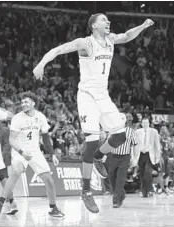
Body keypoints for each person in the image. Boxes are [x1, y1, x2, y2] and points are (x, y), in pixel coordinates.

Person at [33, 13, 154, 213]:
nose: (108, 22)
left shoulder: (111, 39)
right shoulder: (85, 43)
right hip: (87, 95)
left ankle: (98, 157)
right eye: (103, 20)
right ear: (93, 25)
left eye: (108, 20)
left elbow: (126, 35)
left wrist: (142, 26)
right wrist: (41, 64)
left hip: (103, 95)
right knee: (90, 141)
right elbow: (58, 49)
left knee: (120, 135)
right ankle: (86, 191)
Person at [0, 92, 64, 218]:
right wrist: (22, 153)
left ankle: (53, 208)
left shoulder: (40, 117)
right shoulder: (17, 118)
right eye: (22, 102)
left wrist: (52, 154)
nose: (23, 104)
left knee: (49, 180)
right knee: (16, 172)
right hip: (20, 152)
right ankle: (0, 204)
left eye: (26, 102)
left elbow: (46, 138)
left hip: (35, 152)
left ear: (33, 103)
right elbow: (12, 140)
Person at [108, 113, 136, 208]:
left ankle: (116, 201)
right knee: (111, 176)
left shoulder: (131, 131)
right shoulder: (112, 131)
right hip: (113, 156)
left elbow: (135, 145)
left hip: (125, 157)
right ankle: (122, 194)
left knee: (120, 179)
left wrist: (134, 158)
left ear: (124, 121)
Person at [132, 117, 161, 198]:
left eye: (146, 123)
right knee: (141, 174)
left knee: (147, 173)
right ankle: (144, 192)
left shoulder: (154, 131)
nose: (145, 124)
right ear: (142, 123)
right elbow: (134, 145)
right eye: (143, 123)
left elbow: (157, 145)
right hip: (140, 154)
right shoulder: (137, 132)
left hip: (149, 154)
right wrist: (134, 157)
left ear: (149, 123)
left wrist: (157, 157)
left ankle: (150, 189)